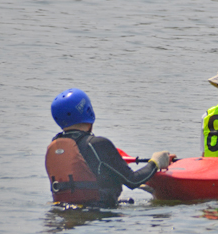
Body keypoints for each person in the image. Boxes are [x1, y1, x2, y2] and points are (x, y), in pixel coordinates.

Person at [45, 88, 173, 208]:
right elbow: (133, 181)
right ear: (88, 110)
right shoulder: (98, 144)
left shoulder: (55, 146)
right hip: (99, 216)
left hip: (62, 211)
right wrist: (156, 162)